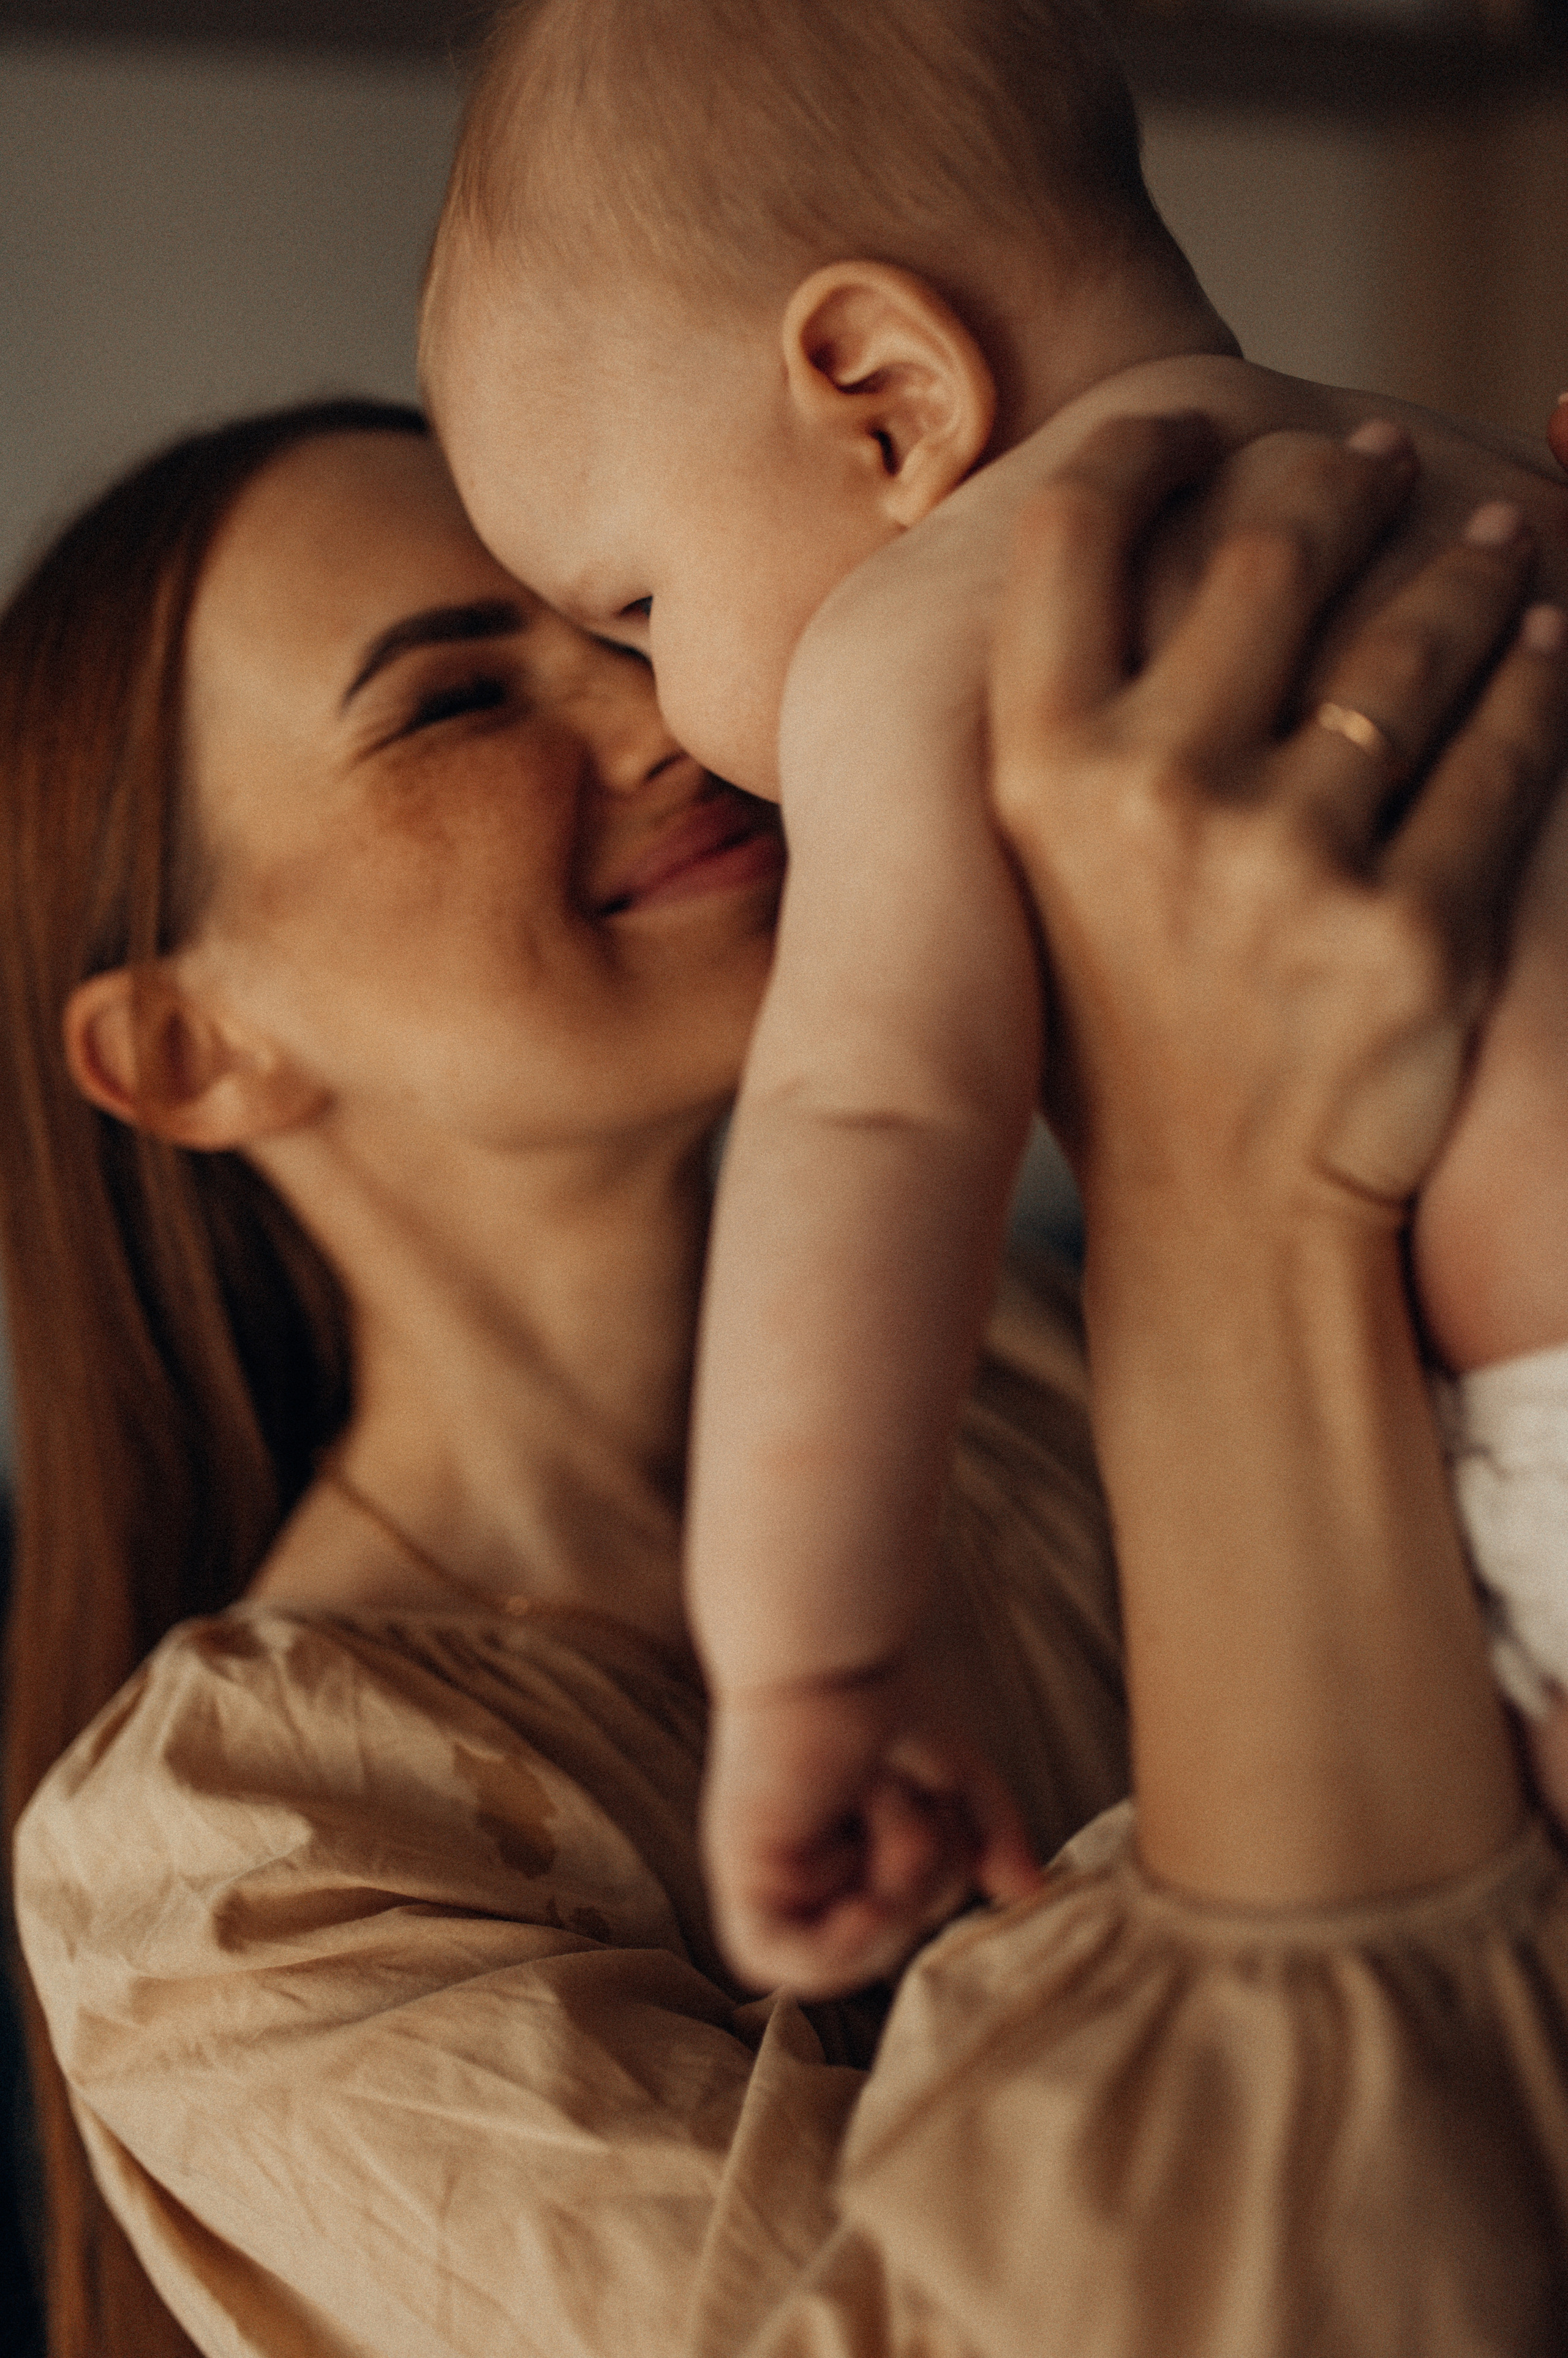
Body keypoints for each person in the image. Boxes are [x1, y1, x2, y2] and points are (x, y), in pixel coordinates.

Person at [8, 391, 1568, 2358]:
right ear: (185, 1050)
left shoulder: (1008, 1370)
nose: (670, 716)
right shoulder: (245, 1861)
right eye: (456, 704)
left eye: (632, 622)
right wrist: (1218, 1187)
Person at [420, 0, 1568, 1993]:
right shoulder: (1461, 468)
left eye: (638, 605)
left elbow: (868, 1125)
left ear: (881, 395)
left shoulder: (945, 619)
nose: (663, 709)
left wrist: (812, 1669)